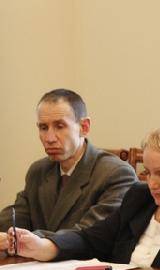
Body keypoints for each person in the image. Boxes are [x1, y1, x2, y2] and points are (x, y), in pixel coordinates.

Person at [10, 118, 160, 270]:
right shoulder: (140, 197)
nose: (152, 183)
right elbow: (92, 239)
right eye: (148, 172)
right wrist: (44, 246)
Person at [0, 88, 137, 252]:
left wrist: (23, 240)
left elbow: (88, 235)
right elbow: (16, 216)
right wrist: (9, 234)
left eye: (59, 126)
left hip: (91, 264)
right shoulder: (38, 170)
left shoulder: (116, 174)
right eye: (43, 127)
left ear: (84, 127)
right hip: (37, 264)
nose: (49, 138)